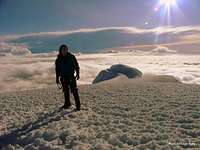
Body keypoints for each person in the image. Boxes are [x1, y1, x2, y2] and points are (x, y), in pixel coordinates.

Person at [55, 44, 81, 111]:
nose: (64, 51)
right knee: (66, 91)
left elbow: (76, 65)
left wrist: (78, 73)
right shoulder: (58, 59)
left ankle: (78, 106)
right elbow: (57, 70)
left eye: (65, 49)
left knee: (74, 91)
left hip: (71, 77)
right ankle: (67, 104)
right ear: (60, 51)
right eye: (63, 49)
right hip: (63, 78)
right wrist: (57, 78)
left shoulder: (71, 57)